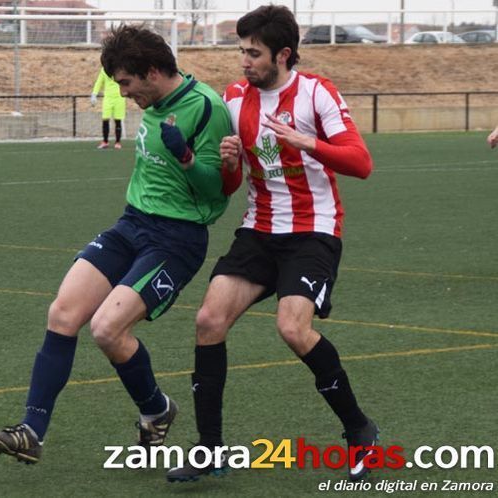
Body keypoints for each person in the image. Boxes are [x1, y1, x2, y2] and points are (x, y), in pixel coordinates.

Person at [0, 24, 234, 464]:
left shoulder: (206, 108)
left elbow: (218, 191)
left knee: (106, 329)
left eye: (126, 83)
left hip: (176, 240)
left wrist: (187, 159)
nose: (124, 92)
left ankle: (155, 409)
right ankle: (32, 431)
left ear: (153, 72)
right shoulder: (156, 100)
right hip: (132, 224)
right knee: (63, 312)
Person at [166, 5, 377, 483]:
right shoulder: (235, 99)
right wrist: (228, 162)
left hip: (313, 230)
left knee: (292, 328)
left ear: (283, 55)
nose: (244, 61)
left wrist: (309, 143)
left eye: (254, 53)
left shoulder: (317, 93)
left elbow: (361, 163)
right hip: (259, 228)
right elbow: (229, 184)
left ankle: (360, 429)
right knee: (208, 320)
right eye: (241, 51)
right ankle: (209, 450)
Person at [91, 66, 127, 149]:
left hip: (119, 98)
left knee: (118, 120)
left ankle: (118, 142)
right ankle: (105, 141)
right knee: (105, 119)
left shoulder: (121, 69)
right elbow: (99, 82)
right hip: (108, 98)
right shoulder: (104, 70)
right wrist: (94, 94)